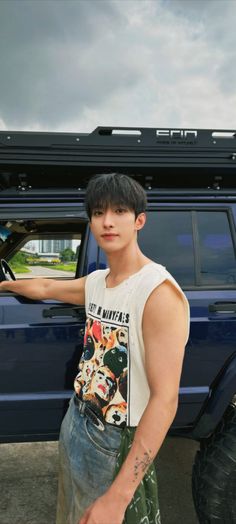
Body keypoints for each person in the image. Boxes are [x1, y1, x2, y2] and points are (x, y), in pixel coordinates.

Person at [0, 173, 190, 524]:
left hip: (114, 440)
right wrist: (4, 284)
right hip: (77, 421)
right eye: (98, 212)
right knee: (72, 516)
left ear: (139, 220)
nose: (107, 221)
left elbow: (166, 400)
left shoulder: (157, 293)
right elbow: (43, 286)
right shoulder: (99, 282)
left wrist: (119, 497)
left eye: (119, 211)